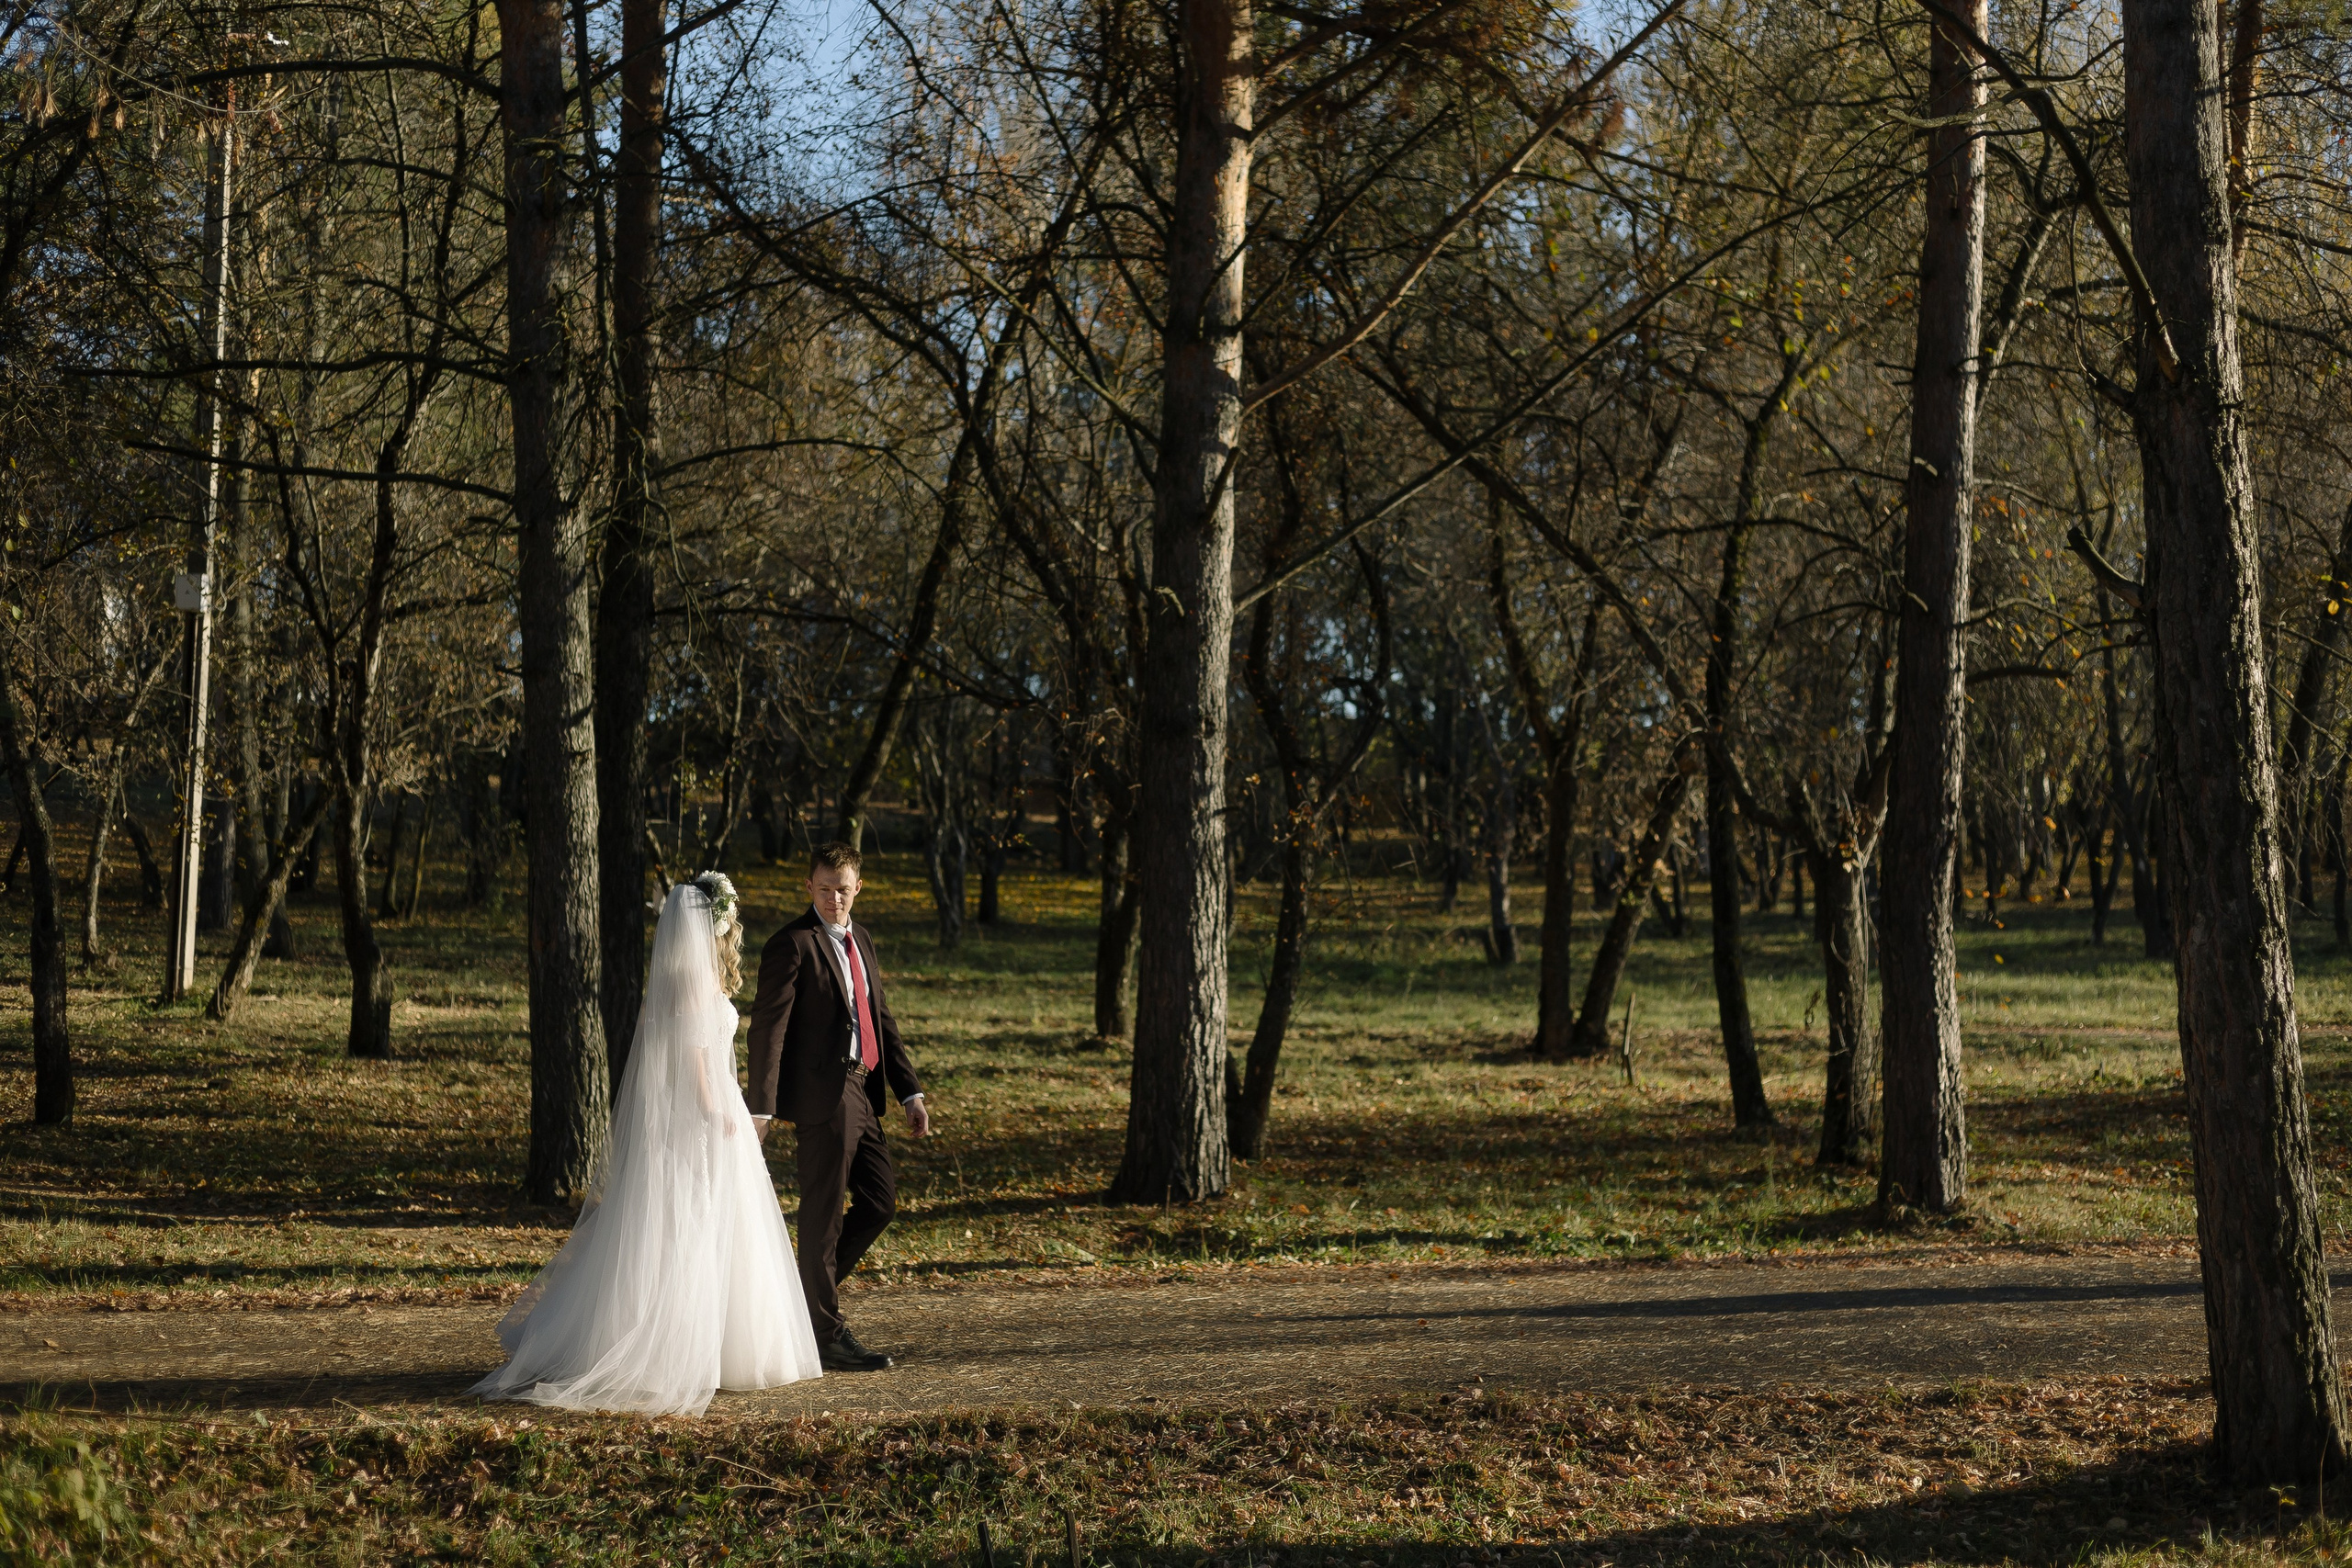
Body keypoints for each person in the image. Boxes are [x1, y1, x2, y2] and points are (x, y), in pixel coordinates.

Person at [470, 873, 823, 1416]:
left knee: (715, 1223)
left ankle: (725, 1346)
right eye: (727, 918)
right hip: (702, 1112)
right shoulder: (690, 979)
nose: (732, 927)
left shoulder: (692, 973)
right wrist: (713, 1108)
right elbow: (695, 1053)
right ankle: (689, 1348)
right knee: (697, 1221)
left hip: (707, 1106)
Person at [745, 841, 929, 1371]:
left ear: (857, 889)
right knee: (822, 1220)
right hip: (824, 1096)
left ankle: (801, 1304)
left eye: (842, 890)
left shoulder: (861, 939)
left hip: (866, 1089)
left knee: (880, 1203)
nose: (832, 899)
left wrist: (909, 1091)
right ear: (809, 887)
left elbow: (881, 1019)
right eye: (823, 889)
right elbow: (769, 1028)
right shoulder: (792, 944)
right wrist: (762, 1104)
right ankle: (822, 1331)